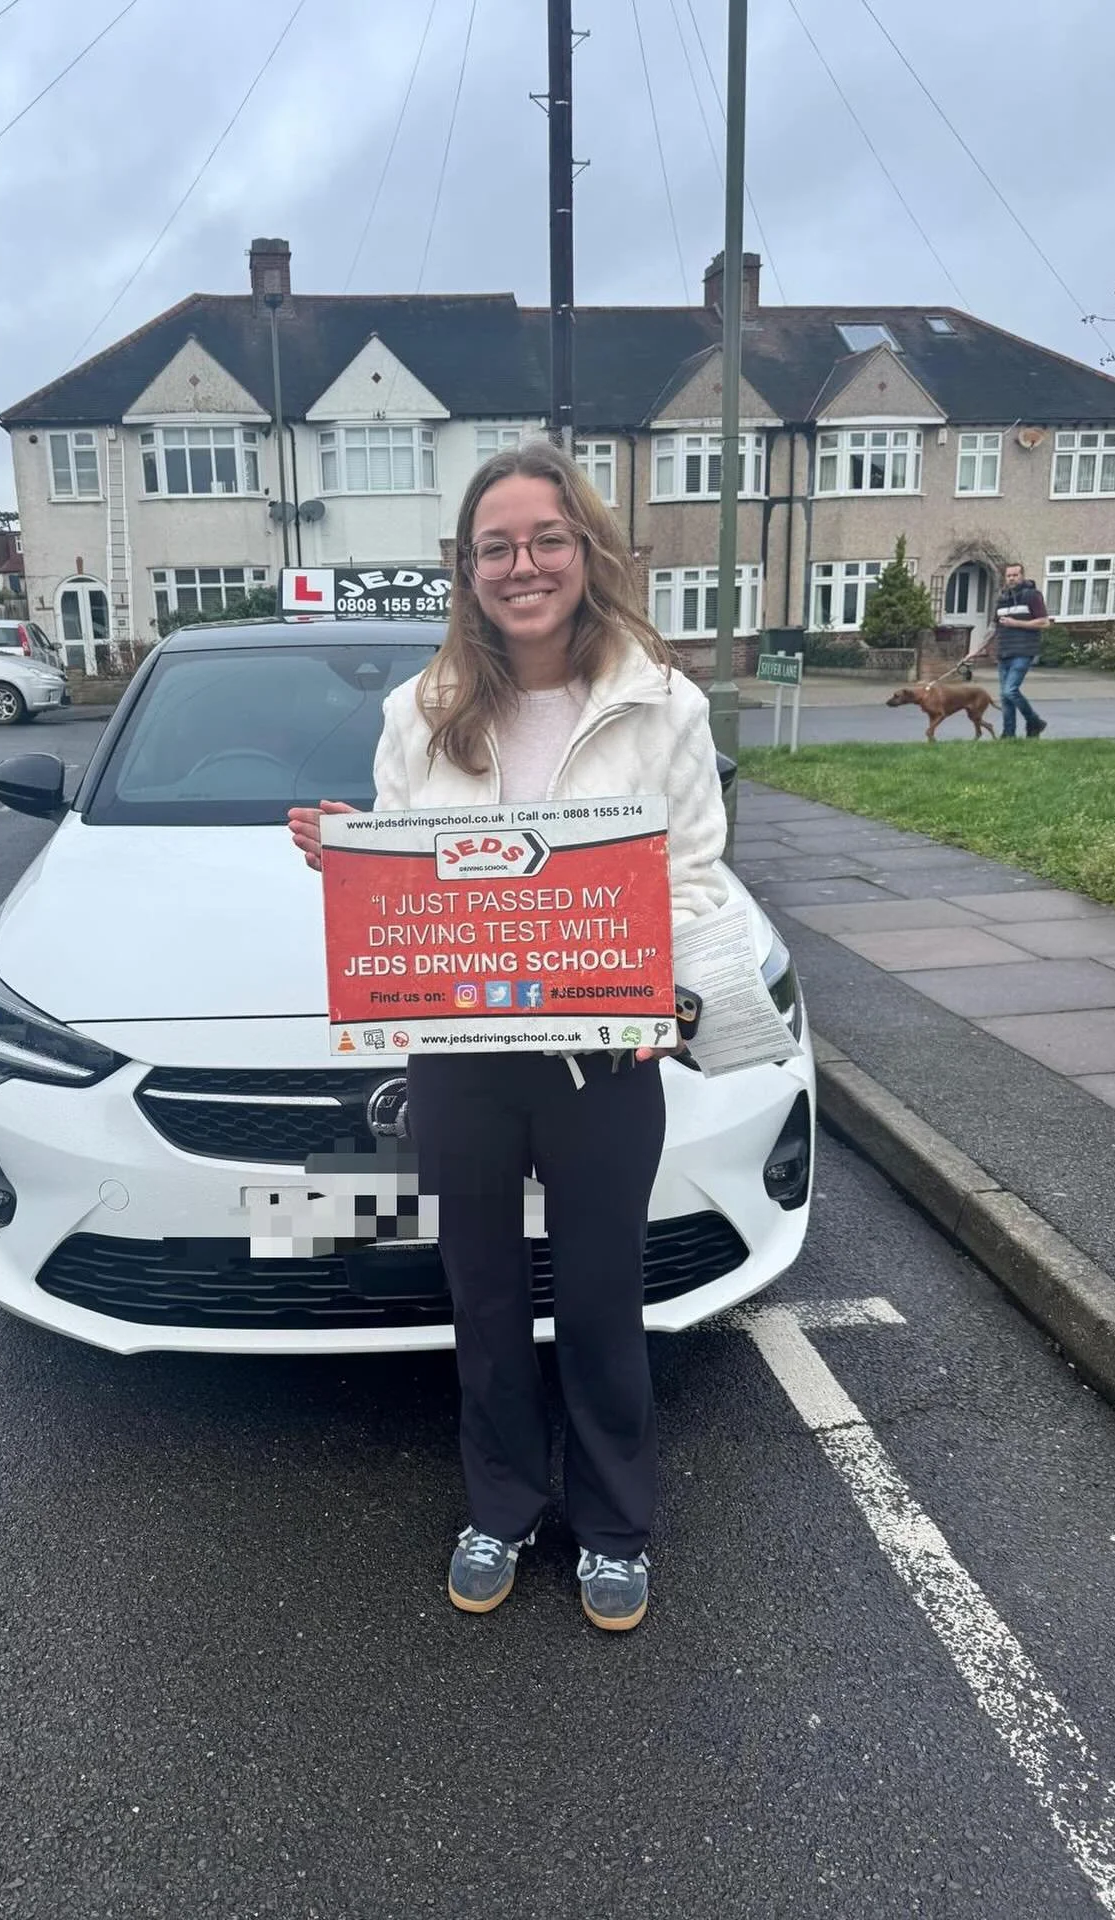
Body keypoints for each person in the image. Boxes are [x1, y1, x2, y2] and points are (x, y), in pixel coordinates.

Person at [288, 441, 728, 1631]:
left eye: (544, 539)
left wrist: (663, 992)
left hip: (603, 1059)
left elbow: (691, 880)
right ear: (467, 569)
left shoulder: (663, 703)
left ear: (584, 551)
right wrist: (349, 857)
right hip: (462, 1060)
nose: (521, 564)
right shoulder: (419, 712)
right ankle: (503, 1504)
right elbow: (408, 875)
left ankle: (616, 1525)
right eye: (496, 546)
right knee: (481, 1298)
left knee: (596, 1299)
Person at [965, 561, 1050, 738]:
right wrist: (976, 650)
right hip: (1004, 652)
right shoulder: (1003, 599)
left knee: (1010, 690)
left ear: (1022, 576)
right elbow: (993, 628)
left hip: (1023, 651)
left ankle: (1034, 721)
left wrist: (1016, 623)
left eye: (1015, 575)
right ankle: (1008, 733)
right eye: (1009, 576)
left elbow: (1044, 621)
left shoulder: (1032, 595)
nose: (1011, 578)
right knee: (1005, 697)